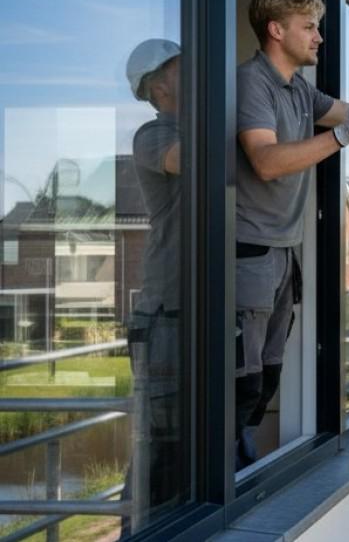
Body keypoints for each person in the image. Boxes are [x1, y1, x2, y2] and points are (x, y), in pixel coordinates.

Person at [235, 0, 349, 468]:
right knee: (243, 376)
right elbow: (266, 161)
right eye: (309, 28)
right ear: (276, 31)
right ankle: (223, 480)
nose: (319, 37)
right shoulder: (250, 83)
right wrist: (340, 136)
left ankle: (243, 460)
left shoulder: (299, 89)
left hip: (283, 251)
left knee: (271, 371)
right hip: (249, 250)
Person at [123, 38, 185, 533]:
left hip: (192, 309)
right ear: (158, 84)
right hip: (165, 315)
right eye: (184, 69)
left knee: (197, 439)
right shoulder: (153, 135)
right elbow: (196, 159)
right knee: (161, 444)